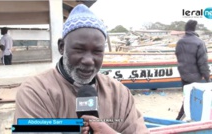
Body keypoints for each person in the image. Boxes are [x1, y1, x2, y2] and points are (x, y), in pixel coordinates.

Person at [13, 4, 149, 134]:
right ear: (61, 47)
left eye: (97, 51)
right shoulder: (35, 92)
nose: (88, 61)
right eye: (79, 49)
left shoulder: (120, 94)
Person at [175, 20, 211, 120]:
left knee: (187, 97)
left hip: (184, 75)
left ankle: (181, 118)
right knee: (193, 98)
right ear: (194, 29)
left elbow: (179, 56)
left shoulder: (180, 41)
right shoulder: (199, 42)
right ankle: (180, 119)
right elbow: (202, 63)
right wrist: (208, 78)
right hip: (195, 76)